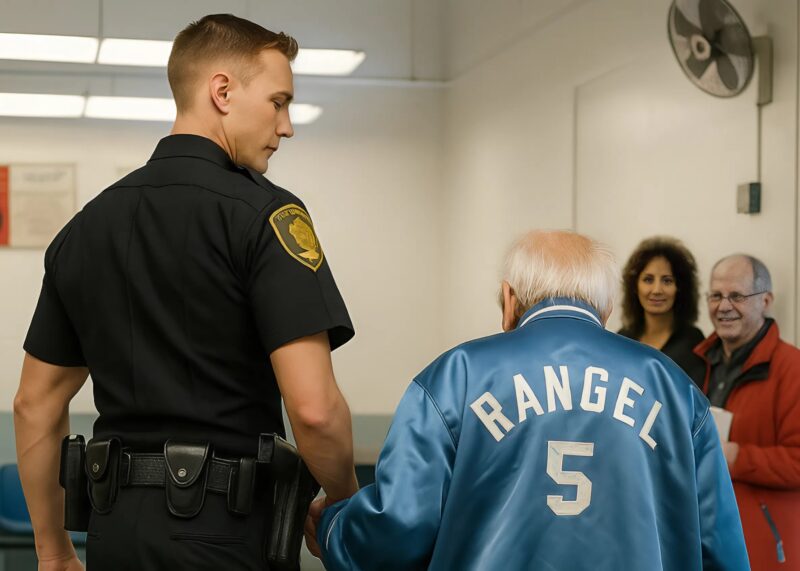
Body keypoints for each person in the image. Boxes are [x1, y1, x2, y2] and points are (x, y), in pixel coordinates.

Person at [13, 14, 358, 571]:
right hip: (227, 535)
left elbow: (35, 403)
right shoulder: (266, 216)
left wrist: (53, 552)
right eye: (278, 101)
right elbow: (315, 411)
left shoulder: (85, 227)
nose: (287, 125)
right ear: (222, 91)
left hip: (114, 535)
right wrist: (344, 501)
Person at [306, 230, 748, 570]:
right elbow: (719, 545)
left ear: (508, 299)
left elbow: (398, 528)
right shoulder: (672, 387)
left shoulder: (457, 375)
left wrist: (333, 528)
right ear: (606, 308)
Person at [694, 254, 800, 570]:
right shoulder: (696, 364)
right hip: (707, 541)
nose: (723, 306)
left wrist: (737, 457)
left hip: (764, 549)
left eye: (737, 296)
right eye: (716, 296)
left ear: (765, 301)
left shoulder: (792, 369)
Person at [619, 236, 706, 385]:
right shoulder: (622, 339)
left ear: (680, 288)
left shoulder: (693, 343)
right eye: (648, 280)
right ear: (634, 286)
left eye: (667, 280)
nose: (657, 290)